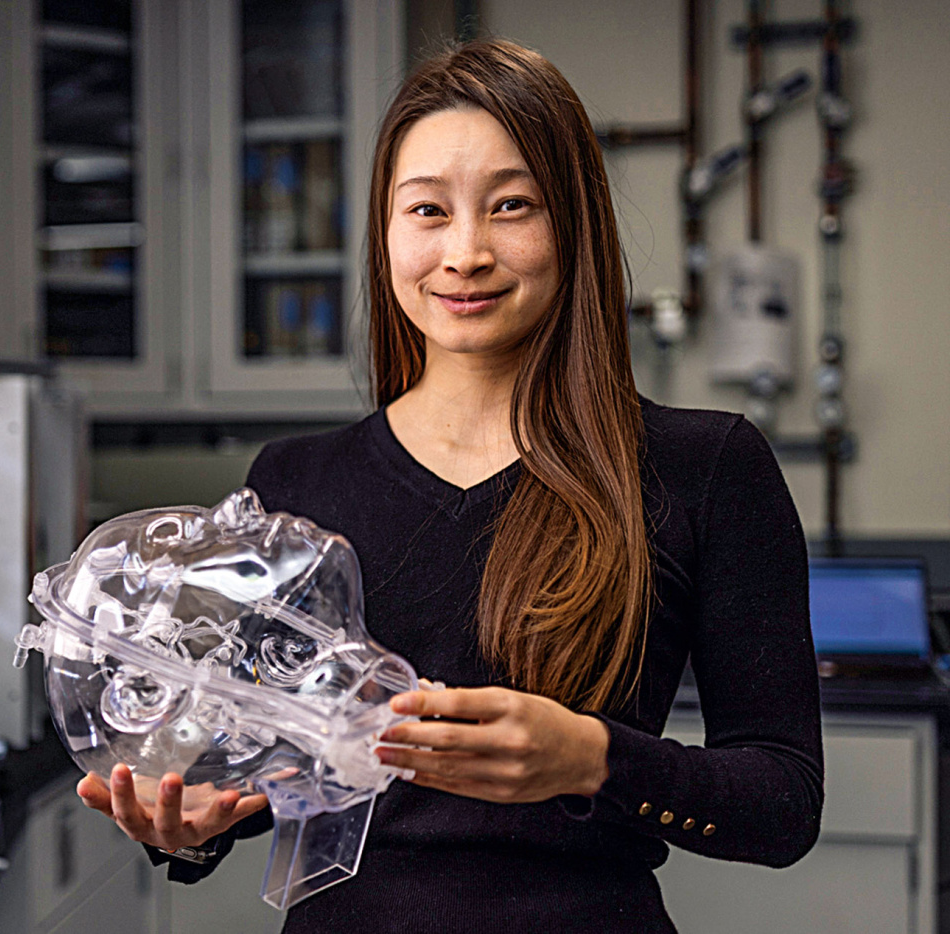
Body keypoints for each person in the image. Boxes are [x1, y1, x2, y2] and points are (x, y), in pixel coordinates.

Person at [76, 37, 823, 932]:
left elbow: (783, 803)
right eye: (428, 210)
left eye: (512, 206)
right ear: (386, 232)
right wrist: (195, 822)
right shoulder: (293, 480)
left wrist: (592, 758)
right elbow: (274, 769)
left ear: (574, 224)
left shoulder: (705, 467)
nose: (465, 252)